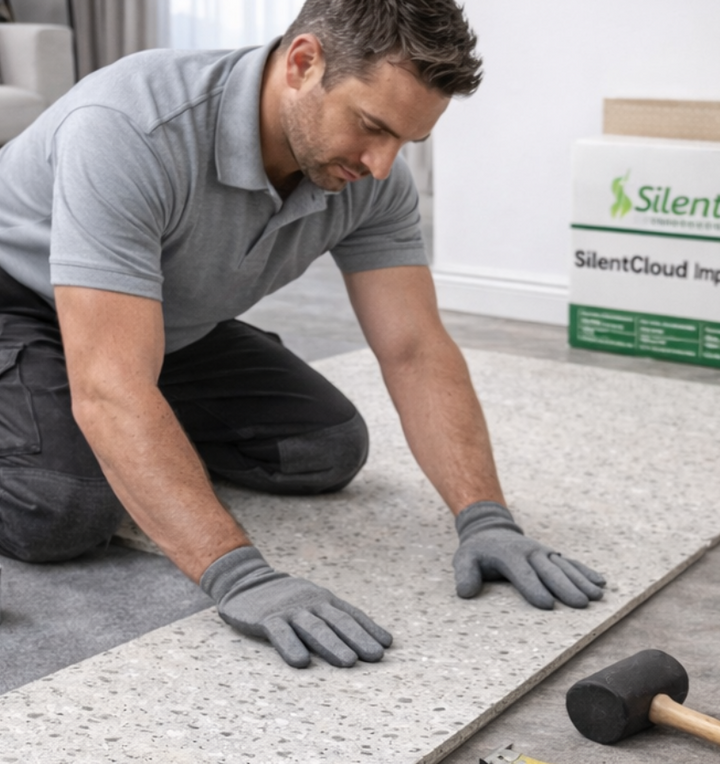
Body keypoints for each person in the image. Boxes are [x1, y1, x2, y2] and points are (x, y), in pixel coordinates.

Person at [0, 0, 604, 669]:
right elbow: (109, 384)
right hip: (18, 300)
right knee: (63, 504)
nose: (381, 164)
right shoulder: (130, 128)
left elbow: (415, 349)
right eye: (371, 126)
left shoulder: (371, 178)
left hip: (155, 317)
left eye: (405, 141)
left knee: (324, 448)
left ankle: (119, 437)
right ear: (302, 63)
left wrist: (485, 515)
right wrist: (236, 571)